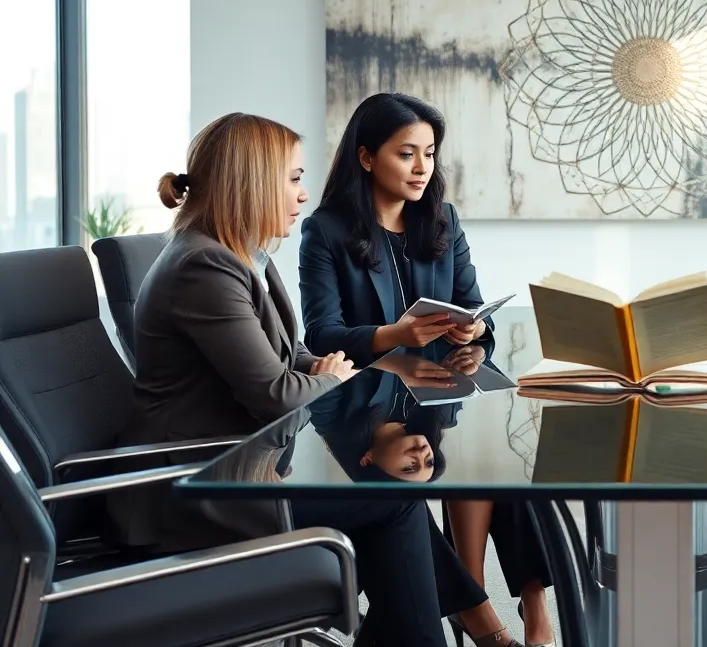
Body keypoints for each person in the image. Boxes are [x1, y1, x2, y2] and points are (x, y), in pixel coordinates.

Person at [110, 112, 524, 647]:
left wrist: (321, 371)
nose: (303, 195)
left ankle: (451, 628)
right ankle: (463, 628)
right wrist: (325, 377)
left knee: (390, 499)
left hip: (244, 466)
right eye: (293, 178)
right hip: (195, 491)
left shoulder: (240, 254)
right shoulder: (204, 267)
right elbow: (277, 395)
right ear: (252, 181)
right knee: (395, 497)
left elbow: (296, 354)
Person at [299, 92, 555, 647]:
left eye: (429, 154)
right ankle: (480, 614)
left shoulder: (442, 219)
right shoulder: (328, 230)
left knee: (502, 462)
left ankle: (534, 610)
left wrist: (472, 331)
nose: (422, 168)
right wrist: (394, 336)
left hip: (440, 392)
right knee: (417, 484)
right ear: (366, 157)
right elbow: (319, 331)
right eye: (406, 154)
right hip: (361, 406)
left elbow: (473, 303)